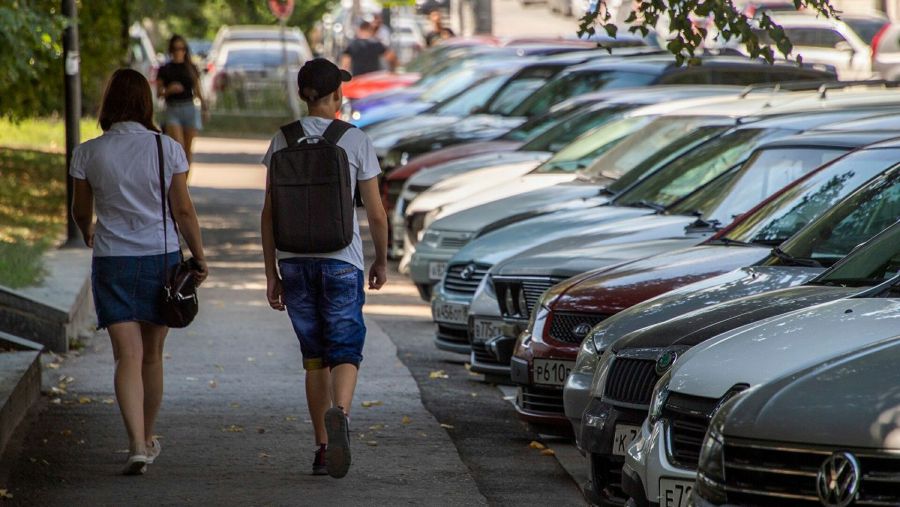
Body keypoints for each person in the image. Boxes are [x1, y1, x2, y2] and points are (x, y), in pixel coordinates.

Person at [71, 68, 208, 476]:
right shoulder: (167, 149)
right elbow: (183, 209)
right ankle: (148, 437)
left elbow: (81, 211)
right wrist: (198, 255)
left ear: (108, 104)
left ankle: (134, 444)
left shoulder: (89, 152)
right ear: (146, 103)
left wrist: (87, 230)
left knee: (125, 356)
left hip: (112, 260)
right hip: (160, 260)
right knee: (152, 355)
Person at [260, 58, 388, 478]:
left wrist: (271, 273)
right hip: (341, 262)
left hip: (293, 261)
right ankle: (342, 415)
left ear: (302, 95)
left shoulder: (282, 139)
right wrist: (381, 260)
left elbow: (268, 213)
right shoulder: (354, 140)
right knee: (346, 347)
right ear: (338, 96)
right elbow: (375, 212)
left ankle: (321, 447)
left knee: (314, 356)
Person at [156, 34, 207, 167]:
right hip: (173, 109)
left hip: (189, 107)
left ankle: (185, 184)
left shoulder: (191, 68)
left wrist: (205, 108)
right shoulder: (165, 69)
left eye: (182, 48)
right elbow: (159, 93)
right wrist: (169, 90)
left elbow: (198, 90)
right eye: (176, 48)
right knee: (178, 148)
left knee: (187, 151)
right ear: (171, 50)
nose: (179, 52)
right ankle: (176, 182)